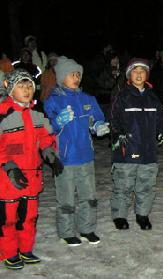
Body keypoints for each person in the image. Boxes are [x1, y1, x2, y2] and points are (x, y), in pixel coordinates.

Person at [0, 69, 63, 269]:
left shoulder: (36, 114)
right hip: (7, 178)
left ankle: (25, 249)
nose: (27, 90)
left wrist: (49, 153)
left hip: (32, 176)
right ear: (9, 89)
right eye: (21, 86)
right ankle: (9, 252)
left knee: (29, 216)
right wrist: (9, 166)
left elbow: (45, 137)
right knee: (8, 218)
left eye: (29, 86)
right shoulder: (3, 114)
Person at [44, 56, 110, 246]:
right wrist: (58, 121)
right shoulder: (53, 101)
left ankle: (87, 229)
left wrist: (98, 125)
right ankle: (66, 232)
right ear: (62, 77)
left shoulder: (87, 99)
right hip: (65, 158)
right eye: (72, 74)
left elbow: (96, 117)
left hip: (85, 156)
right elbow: (47, 127)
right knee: (66, 197)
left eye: (78, 74)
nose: (76, 77)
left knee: (88, 195)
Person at [110, 58, 163, 230]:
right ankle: (120, 215)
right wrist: (118, 134)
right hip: (126, 149)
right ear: (129, 75)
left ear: (147, 75)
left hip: (148, 151)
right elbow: (114, 120)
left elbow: (160, 122)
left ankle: (142, 214)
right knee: (124, 185)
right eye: (135, 71)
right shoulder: (122, 96)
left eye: (142, 71)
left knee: (146, 185)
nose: (139, 74)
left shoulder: (153, 97)